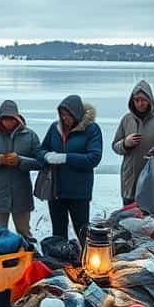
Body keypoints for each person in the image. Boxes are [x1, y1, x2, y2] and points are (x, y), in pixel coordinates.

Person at [39, 95, 102, 243]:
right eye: (62, 115)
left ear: (77, 114)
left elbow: (94, 158)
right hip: (56, 190)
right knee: (58, 233)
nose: (65, 118)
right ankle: (60, 261)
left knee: (82, 232)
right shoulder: (54, 129)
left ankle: (88, 261)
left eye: (68, 115)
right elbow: (40, 150)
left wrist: (66, 158)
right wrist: (46, 156)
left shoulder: (91, 129)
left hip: (79, 192)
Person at [0, 99, 42, 239]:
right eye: (5, 119)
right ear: (0, 119)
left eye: (11, 119)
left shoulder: (30, 136)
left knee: (24, 233)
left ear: (17, 118)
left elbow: (40, 162)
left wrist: (20, 161)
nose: (8, 122)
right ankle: (1, 260)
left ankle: (28, 258)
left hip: (22, 193)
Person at [112, 80, 154, 205]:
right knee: (130, 221)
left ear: (150, 100)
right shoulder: (127, 119)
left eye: (143, 100)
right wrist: (125, 143)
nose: (140, 103)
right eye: (136, 100)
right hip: (130, 180)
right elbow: (115, 146)